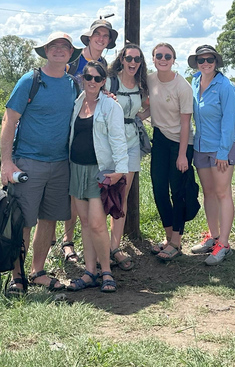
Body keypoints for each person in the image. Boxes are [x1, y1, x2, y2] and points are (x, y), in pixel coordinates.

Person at [0, 32, 80, 295]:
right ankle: (17, 277)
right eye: (53, 46)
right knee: (23, 221)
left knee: (49, 220)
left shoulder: (72, 85)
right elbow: (9, 121)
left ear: (71, 53)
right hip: (28, 162)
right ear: (46, 51)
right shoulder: (30, 81)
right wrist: (6, 163)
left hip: (60, 164)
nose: (59, 50)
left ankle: (38, 271)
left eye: (64, 47)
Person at [57, 18, 119, 263]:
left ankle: (92, 257)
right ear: (89, 37)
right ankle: (67, 241)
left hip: (91, 128)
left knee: (82, 196)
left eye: (106, 36)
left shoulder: (104, 64)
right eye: (98, 35)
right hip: (69, 124)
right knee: (72, 193)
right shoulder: (73, 62)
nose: (101, 39)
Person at [66, 61, 128, 293]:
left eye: (96, 78)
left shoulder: (111, 106)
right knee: (85, 223)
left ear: (103, 82)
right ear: (82, 78)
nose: (91, 82)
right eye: (87, 77)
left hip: (99, 171)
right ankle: (89, 272)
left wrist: (120, 170)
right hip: (76, 168)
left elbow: (118, 139)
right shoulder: (76, 102)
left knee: (97, 224)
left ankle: (106, 272)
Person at [187, 45, 235, 265]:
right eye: (201, 60)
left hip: (221, 147)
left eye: (210, 59)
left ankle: (224, 244)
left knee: (222, 193)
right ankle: (213, 236)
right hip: (200, 145)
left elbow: (229, 122)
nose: (205, 63)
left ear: (216, 62)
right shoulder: (195, 81)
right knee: (208, 192)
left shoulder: (225, 86)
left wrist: (222, 152)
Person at [147, 43, 194, 261]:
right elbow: (150, 104)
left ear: (174, 59)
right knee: (158, 188)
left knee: (178, 192)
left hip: (180, 142)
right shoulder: (150, 79)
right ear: (153, 58)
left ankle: (177, 241)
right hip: (160, 138)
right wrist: (136, 116)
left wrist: (182, 155)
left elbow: (186, 123)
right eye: (159, 55)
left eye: (167, 56)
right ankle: (168, 238)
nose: (163, 59)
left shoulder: (182, 86)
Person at [105, 44, 149, 271]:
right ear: (121, 59)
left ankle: (114, 247)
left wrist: (140, 116)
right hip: (108, 145)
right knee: (102, 196)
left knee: (121, 196)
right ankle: (100, 247)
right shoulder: (110, 81)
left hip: (131, 144)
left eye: (137, 59)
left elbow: (147, 107)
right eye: (129, 58)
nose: (133, 62)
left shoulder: (142, 85)